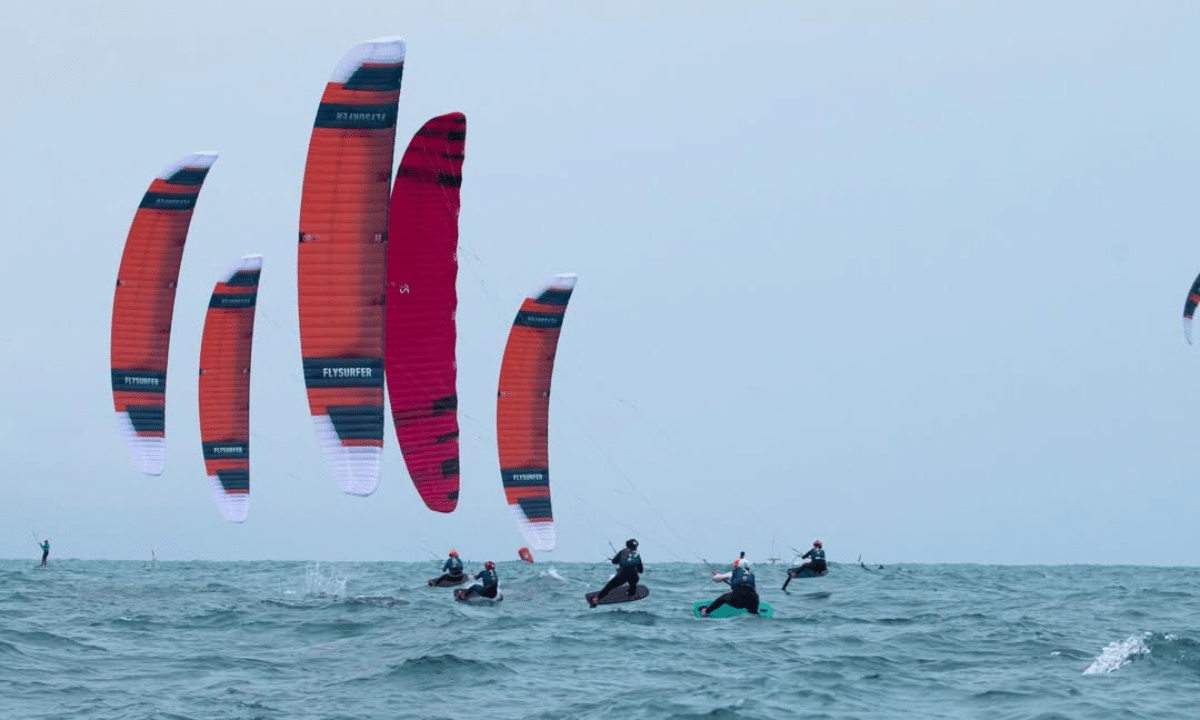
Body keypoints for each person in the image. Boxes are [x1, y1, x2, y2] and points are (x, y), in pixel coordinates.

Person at [589, 538, 643, 607]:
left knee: (609, 586)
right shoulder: (637, 555)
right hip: (634, 577)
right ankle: (631, 593)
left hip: (622, 576)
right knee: (633, 580)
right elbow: (641, 570)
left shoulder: (622, 551)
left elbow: (614, 561)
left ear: (627, 545)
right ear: (636, 547)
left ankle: (596, 599)